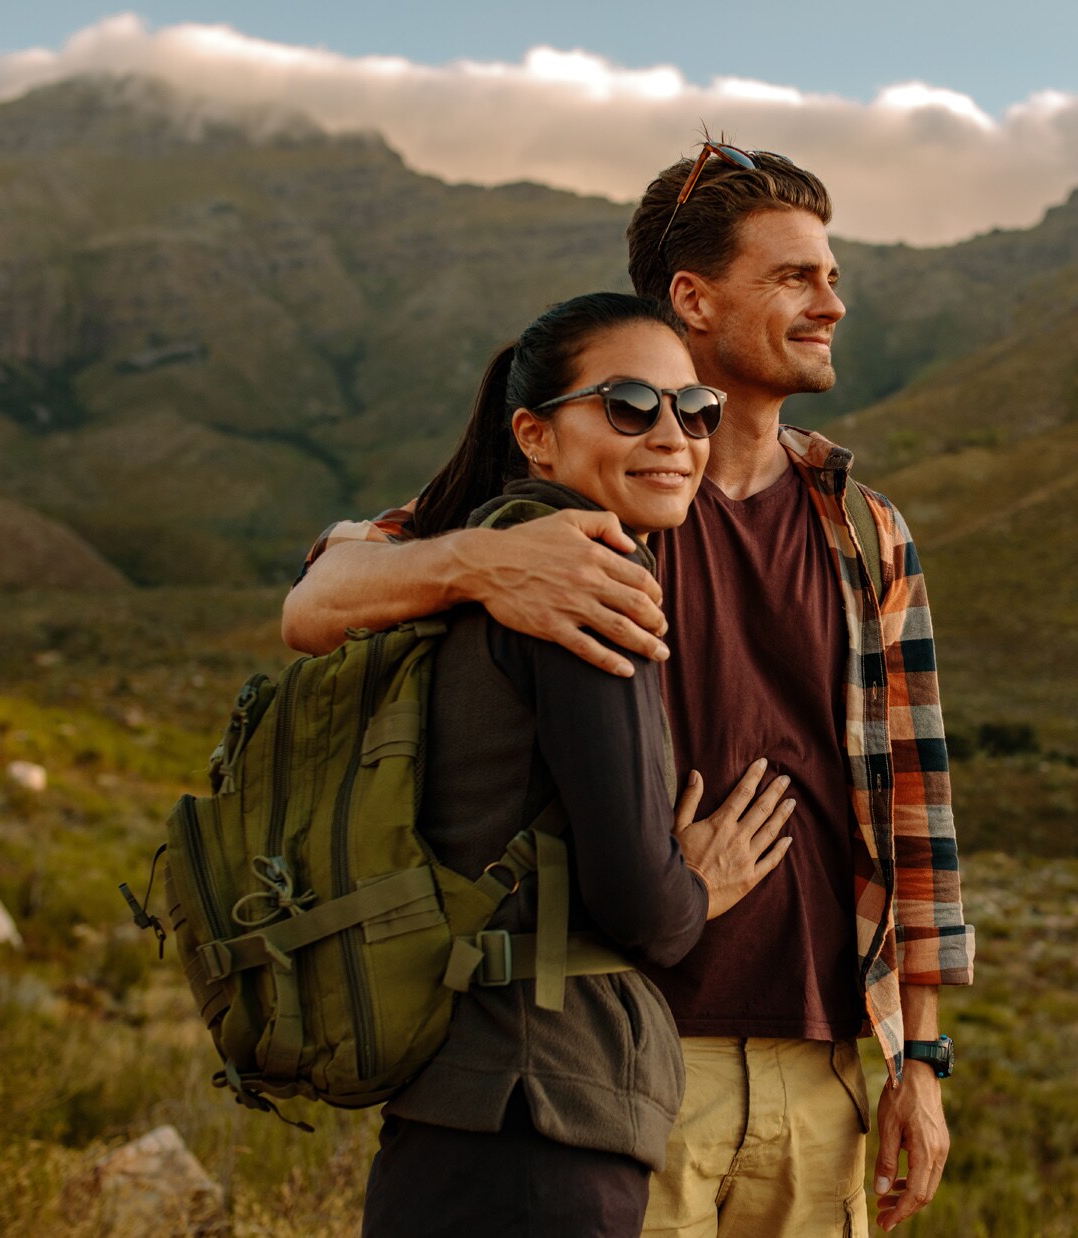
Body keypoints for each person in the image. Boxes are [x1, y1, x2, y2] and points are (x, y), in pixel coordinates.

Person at [288, 144, 975, 1236]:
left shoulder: (864, 529)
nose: (830, 302)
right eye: (796, 276)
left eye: (830, 276)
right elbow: (318, 594)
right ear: (692, 298)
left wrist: (920, 1059)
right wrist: (474, 563)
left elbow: (913, 814)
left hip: (825, 1071)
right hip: (626, 1057)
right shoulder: (597, 493)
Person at [360, 291, 795, 1238]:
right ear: (536, 435)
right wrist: (701, 887)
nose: (674, 435)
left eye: (694, 410)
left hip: (460, 1097)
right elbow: (643, 907)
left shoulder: (480, 555)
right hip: (542, 1115)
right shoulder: (585, 583)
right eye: (630, 405)